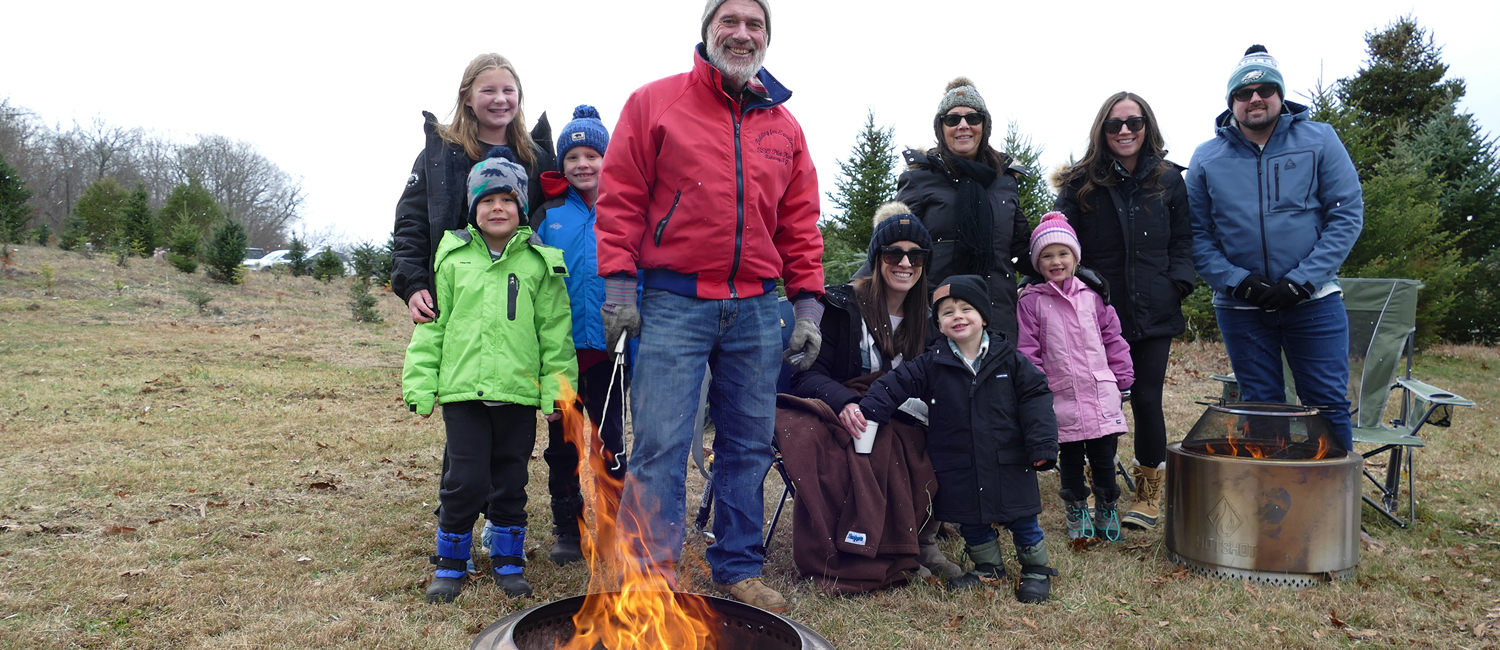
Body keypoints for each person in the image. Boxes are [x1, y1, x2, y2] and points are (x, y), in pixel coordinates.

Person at [593, 0, 824, 614]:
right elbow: (619, 199)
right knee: (661, 443)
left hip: (757, 308)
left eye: (755, 24)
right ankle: (650, 575)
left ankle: (738, 565)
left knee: (748, 444)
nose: (742, 34)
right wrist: (620, 289)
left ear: (767, 37)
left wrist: (808, 307)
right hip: (674, 302)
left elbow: (801, 223)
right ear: (707, 31)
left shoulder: (785, 127)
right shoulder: (654, 104)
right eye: (730, 21)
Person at [403, 147, 576, 603]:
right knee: (464, 480)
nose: (497, 208)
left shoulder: (541, 262)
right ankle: (451, 561)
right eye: (487, 200)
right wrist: (420, 383)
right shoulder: (451, 258)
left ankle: (507, 560)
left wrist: (558, 392)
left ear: (521, 207)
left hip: (518, 394)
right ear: (472, 207)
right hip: (464, 394)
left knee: (511, 481)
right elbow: (432, 327)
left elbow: (555, 334)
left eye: (507, 200)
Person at [1186, 45, 1364, 452]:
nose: (1255, 98)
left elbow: (1346, 214)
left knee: (1327, 403)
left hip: (1314, 303)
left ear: (1280, 95)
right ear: (1231, 101)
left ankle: (1332, 491)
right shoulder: (1206, 157)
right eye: (1243, 92)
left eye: (1265, 89)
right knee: (1261, 407)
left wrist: (1303, 281)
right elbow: (1194, 234)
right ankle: (1273, 490)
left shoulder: (1320, 139)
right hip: (1241, 308)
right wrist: (1237, 282)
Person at [780, 201, 963, 590]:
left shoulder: (932, 317)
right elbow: (806, 375)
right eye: (894, 253)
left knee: (942, 428)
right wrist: (845, 403)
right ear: (877, 258)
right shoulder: (842, 306)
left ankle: (922, 542)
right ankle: (874, 550)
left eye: (916, 256)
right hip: (847, 407)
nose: (905, 263)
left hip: (904, 412)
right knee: (865, 442)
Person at [848, 275, 1059, 603]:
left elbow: (1036, 396)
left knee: (1022, 518)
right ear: (939, 324)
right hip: (958, 462)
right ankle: (988, 569)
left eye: (966, 309)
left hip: (1009, 459)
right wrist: (870, 410)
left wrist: (1041, 444)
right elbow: (894, 384)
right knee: (970, 520)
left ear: (984, 317)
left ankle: (1035, 570)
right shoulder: (932, 362)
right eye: (947, 312)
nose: (957, 316)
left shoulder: (1009, 359)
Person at [1052, 92, 1193, 531]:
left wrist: (1177, 285)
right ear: (1103, 130)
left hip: (1155, 309)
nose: (1125, 131)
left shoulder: (1169, 180)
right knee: (1096, 401)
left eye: (1134, 122)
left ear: (1147, 126)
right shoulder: (1080, 182)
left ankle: (1148, 493)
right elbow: (1060, 238)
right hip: (1096, 314)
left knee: (1148, 399)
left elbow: (1184, 240)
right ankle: (1100, 490)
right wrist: (1079, 289)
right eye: (1115, 124)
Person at [530, 105, 627, 566]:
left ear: (608, 158)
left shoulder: (625, 207)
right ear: (562, 164)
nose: (582, 164)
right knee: (563, 445)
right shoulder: (547, 215)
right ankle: (568, 528)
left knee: (610, 443)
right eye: (572, 157)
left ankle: (609, 525)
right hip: (561, 353)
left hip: (610, 352)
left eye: (592, 155)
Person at [392, 53, 556, 325]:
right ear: (466, 97)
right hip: (454, 302)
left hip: (520, 304)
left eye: (508, 90)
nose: (500, 99)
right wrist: (412, 284)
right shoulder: (439, 155)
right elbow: (412, 223)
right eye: (488, 91)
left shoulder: (537, 159)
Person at [1016, 213, 1134, 542]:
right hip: (1059, 395)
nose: (1056, 261)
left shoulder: (1092, 296)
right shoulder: (1031, 302)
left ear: (1075, 257)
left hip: (1098, 391)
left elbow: (1113, 338)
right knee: (1068, 458)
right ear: (1037, 262)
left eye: (1063, 253)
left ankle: (1107, 506)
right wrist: (1037, 388)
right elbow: (1028, 350)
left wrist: (1122, 376)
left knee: (1104, 456)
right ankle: (1077, 508)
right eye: (1047, 256)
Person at [896, 77, 1033, 340]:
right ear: (941, 128)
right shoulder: (920, 178)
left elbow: (1020, 250)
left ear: (984, 125)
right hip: (939, 320)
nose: (963, 125)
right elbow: (895, 244)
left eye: (972, 118)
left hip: (997, 320)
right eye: (952, 119)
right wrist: (860, 286)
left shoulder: (1005, 181)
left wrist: (1067, 261)